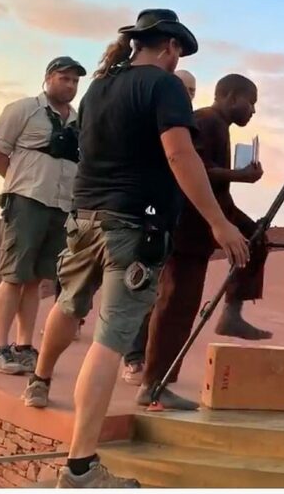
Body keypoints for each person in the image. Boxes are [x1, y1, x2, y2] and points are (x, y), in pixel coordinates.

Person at [20, 8, 250, 488]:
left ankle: (39, 379)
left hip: (85, 217)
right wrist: (218, 222)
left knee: (69, 304)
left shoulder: (100, 87)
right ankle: (81, 467)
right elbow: (179, 154)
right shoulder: (163, 86)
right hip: (134, 226)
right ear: (170, 47)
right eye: (179, 53)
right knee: (111, 339)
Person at [131, 73, 270, 410]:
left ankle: (232, 312)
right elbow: (192, 169)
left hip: (211, 217)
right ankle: (153, 385)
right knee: (177, 304)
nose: (252, 110)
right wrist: (238, 176)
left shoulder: (217, 124)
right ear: (231, 96)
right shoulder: (205, 121)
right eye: (250, 102)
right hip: (188, 227)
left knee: (256, 239)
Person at [0, 56, 86, 375]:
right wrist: (21, 183)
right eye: (64, 78)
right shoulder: (24, 109)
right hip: (26, 201)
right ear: (48, 78)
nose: (70, 85)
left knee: (36, 279)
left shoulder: (79, 121)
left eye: (75, 81)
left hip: (61, 205)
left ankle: (24, 346)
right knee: (14, 275)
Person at [122, 68, 197, 386]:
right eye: (183, 88)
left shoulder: (189, 125)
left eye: (192, 91)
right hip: (146, 216)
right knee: (142, 289)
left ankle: (150, 361)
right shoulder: (151, 119)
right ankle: (133, 357)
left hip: (174, 217)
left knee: (163, 294)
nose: (187, 95)